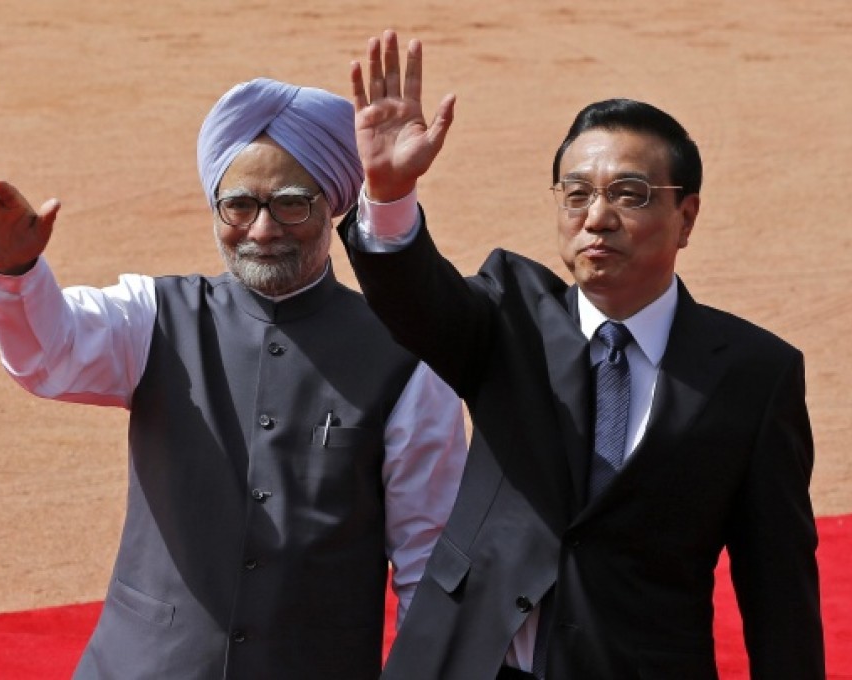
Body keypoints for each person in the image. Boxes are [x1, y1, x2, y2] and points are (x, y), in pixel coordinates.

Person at [337, 31, 825, 680]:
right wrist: (391, 195)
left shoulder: (754, 375)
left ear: (687, 217)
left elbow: (779, 588)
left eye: (629, 194)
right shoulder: (509, 319)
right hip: (471, 663)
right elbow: (416, 302)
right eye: (576, 194)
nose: (596, 217)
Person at [0, 76, 467, 680]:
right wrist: (18, 274)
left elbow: (427, 560)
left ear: (335, 205)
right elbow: (50, 355)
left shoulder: (405, 359)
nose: (263, 230)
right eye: (239, 205)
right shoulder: (153, 315)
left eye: (292, 203)